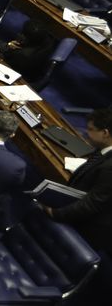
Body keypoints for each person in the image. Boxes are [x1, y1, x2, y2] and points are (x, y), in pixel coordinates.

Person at [43, 107, 112, 253]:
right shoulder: (104, 150)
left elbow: (92, 204)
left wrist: (56, 213)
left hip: (88, 228)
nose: (86, 133)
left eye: (91, 129)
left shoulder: (110, 167)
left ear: (105, 133)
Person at [0, 20, 58, 87]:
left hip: (15, 77)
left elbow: (6, 67)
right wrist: (10, 45)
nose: (20, 34)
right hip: (24, 66)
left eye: (22, 33)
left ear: (28, 38)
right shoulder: (48, 41)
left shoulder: (23, 55)